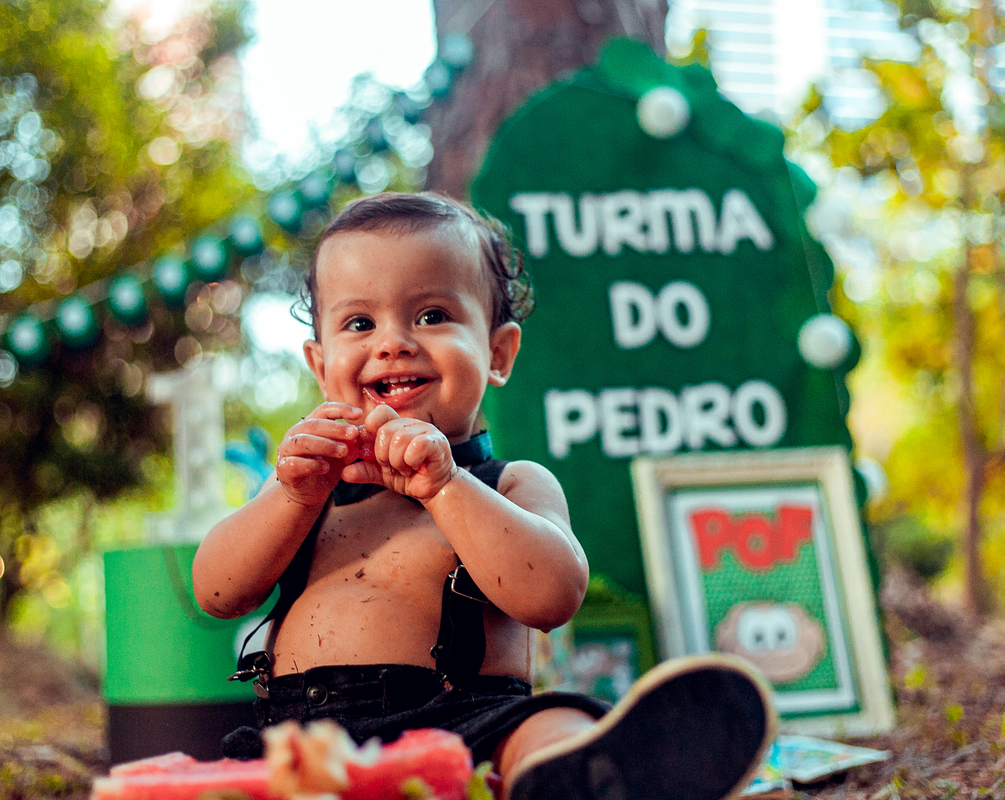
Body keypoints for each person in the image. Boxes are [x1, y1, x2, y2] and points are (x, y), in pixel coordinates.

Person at [192, 192, 775, 800]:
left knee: (545, 723)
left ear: (498, 353)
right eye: (360, 324)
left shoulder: (511, 484)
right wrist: (289, 496)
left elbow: (552, 596)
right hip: (308, 743)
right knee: (231, 772)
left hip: (465, 728)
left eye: (431, 315)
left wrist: (448, 487)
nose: (393, 343)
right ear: (320, 363)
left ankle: (579, 778)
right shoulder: (302, 490)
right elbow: (217, 591)